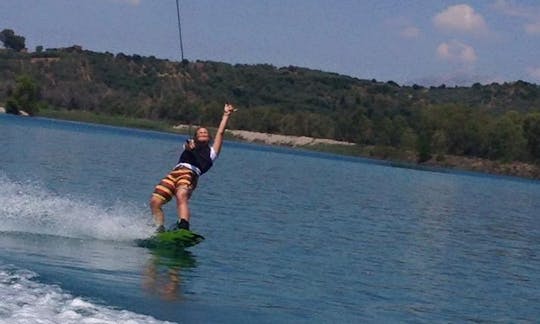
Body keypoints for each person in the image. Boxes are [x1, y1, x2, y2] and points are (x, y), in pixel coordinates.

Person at [150, 103, 236, 232]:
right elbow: (187, 147)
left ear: (209, 137)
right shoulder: (190, 145)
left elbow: (220, 132)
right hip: (174, 173)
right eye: (200, 132)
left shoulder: (212, 152)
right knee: (155, 202)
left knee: (181, 194)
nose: (203, 133)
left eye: (205, 132)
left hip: (190, 175)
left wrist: (226, 115)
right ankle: (159, 229)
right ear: (195, 136)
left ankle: (184, 226)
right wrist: (190, 147)